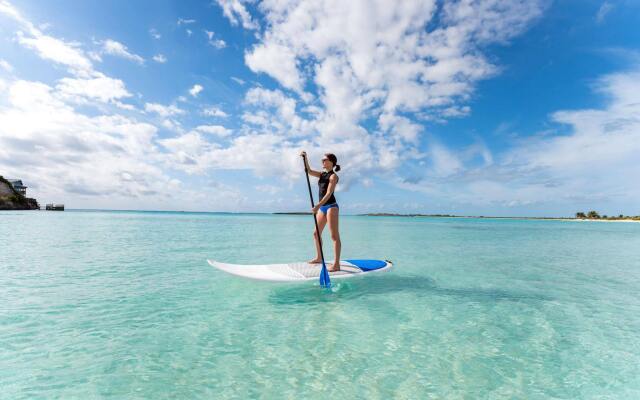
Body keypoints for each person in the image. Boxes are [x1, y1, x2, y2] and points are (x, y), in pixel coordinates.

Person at [300, 151, 342, 271]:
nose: (322, 161)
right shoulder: (322, 174)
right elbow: (308, 171)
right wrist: (305, 158)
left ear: (332, 162)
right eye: (322, 160)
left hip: (331, 206)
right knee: (316, 233)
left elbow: (329, 193)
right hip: (322, 207)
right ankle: (319, 257)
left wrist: (318, 205)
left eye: (325, 160)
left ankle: (336, 264)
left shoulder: (333, 176)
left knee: (334, 236)